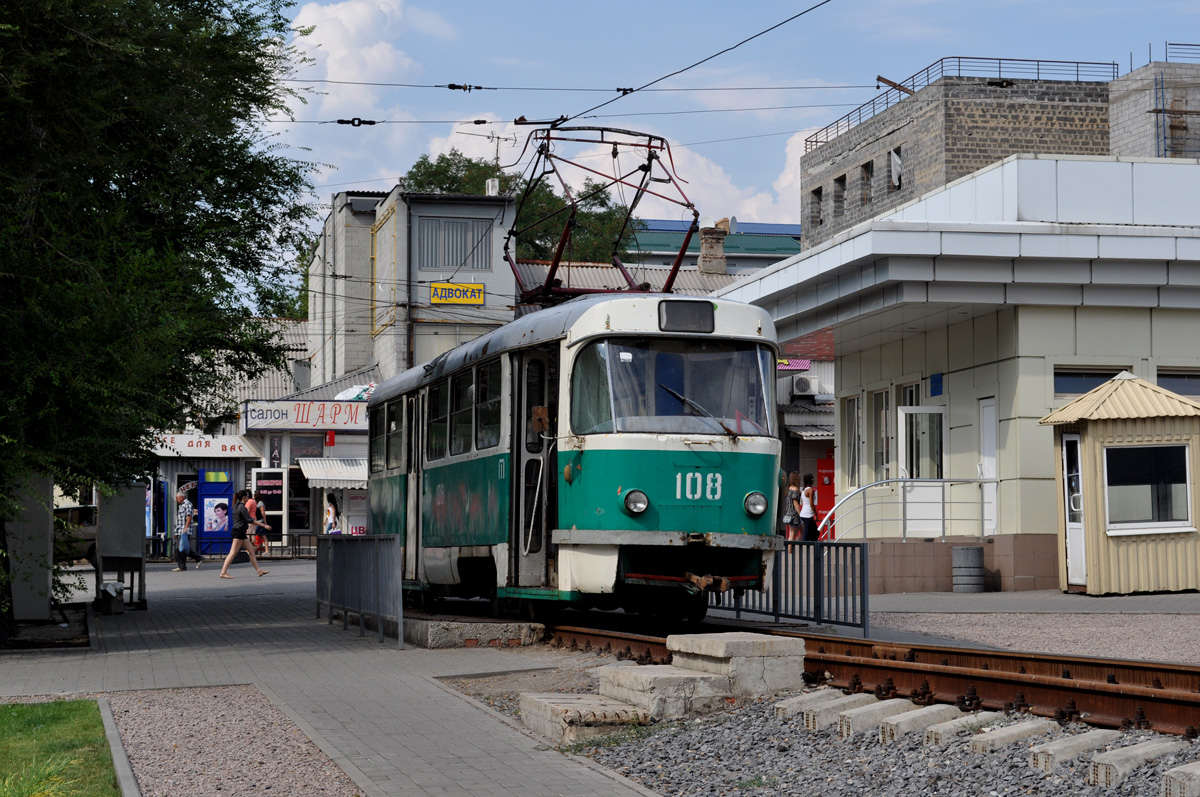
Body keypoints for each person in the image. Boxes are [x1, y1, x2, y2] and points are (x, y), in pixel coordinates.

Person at [219, 490, 270, 579]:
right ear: (244, 497)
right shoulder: (242, 507)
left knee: (251, 550)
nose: (248, 498)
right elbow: (250, 519)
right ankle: (223, 572)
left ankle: (258, 570)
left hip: (240, 532)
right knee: (233, 553)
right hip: (239, 532)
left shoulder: (236, 506)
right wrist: (264, 525)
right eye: (247, 496)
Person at [173, 491, 204, 571]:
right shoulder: (181, 505)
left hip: (184, 530)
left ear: (182, 497)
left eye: (177, 497)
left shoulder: (187, 504)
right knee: (182, 548)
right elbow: (179, 520)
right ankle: (196, 559)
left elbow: (189, 516)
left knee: (182, 548)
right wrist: (176, 532)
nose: (176, 499)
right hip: (181, 529)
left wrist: (186, 528)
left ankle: (183, 566)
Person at [782, 472, 802, 542]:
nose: (800, 478)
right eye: (799, 477)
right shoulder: (795, 489)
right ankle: (790, 551)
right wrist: (800, 514)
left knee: (795, 533)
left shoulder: (789, 488)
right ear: (796, 479)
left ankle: (792, 549)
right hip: (794, 515)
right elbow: (795, 503)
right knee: (793, 535)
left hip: (789, 513)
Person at [799, 473, 819, 542]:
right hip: (808, 515)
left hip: (803, 513)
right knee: (807, 533)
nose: (814, 480)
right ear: (811, 480)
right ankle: (805, 547)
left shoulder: (804, 490)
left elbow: (803, 503)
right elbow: (811, 503)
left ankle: (810, 544)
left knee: (814, 532)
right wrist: (816, 514)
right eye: (813, 479)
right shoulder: (810, 490)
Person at [251, 490, 268, 556]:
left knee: (253, 535)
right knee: (263, 536)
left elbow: (263, 513)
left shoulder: (260, 503)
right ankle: (265, 550)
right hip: (256, 522)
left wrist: (265, 522)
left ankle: (266, 551)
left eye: (253, 495)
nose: (253, 496)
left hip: (260, 522)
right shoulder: (255, 502)